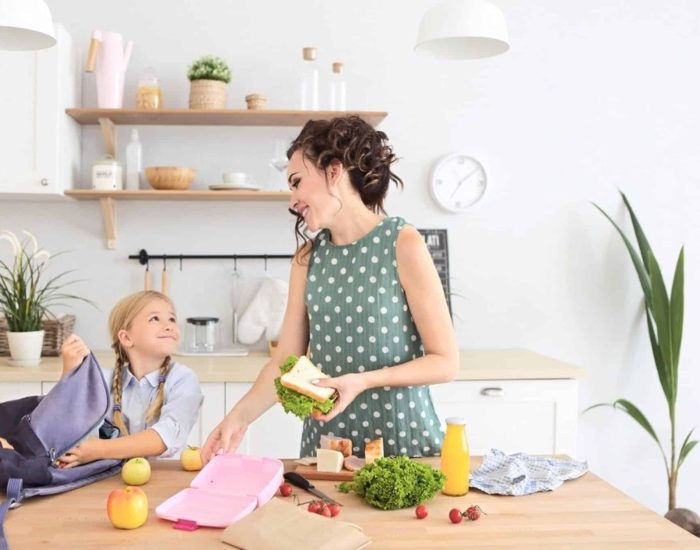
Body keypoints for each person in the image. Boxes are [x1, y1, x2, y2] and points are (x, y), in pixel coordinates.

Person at [202, 115, 458, 462]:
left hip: (403, 443)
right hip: (328, 448)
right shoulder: (307, 258)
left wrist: (362, 381)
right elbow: (285, 363)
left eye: (296, 182)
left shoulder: (402, 243)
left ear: (333, 170)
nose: (292, 200)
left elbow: (445, 363)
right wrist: (237, 419)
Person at [58, 290, 203, 467]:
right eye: (155, 318)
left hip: (163, 478)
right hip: (106, 480)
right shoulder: (102, 381)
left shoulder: (183, 380)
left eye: (172, 319)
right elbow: (66, 425)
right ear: (126, 337)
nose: (169, 325)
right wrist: (70, 372)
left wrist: (100, 449)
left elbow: (164, 437)